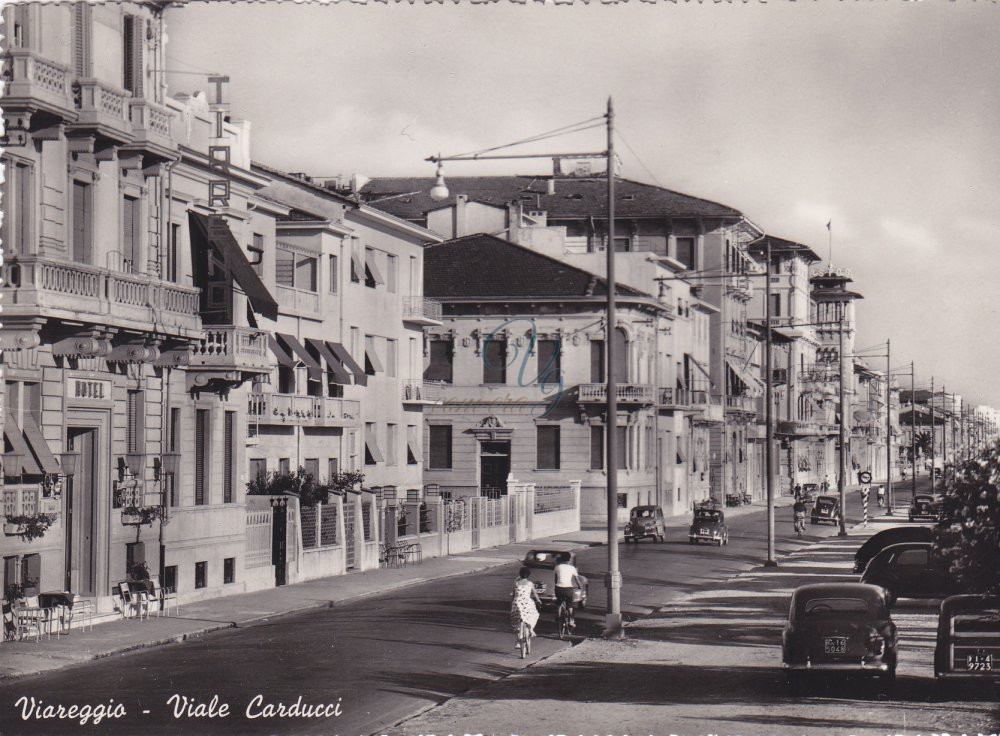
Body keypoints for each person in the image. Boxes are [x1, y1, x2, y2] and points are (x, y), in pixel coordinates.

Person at [510, 567, 541, 649]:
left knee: (517, 621)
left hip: (517, 603)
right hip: (527, 603)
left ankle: (518, 642)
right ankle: (530, 628)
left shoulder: (516, 583)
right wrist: (538, 600)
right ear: (528, 575)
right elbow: (535, 594)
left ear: (520, 574)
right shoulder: (530, 583)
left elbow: (513, 595)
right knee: (534, 614)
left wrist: (512, 603)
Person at [553, 552, 583, 628]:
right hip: (568, 589)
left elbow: (556, 580)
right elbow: (577, 580)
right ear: (569, 559)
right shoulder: (572, 568)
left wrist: (558, 584)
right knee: (570, 605)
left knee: (559, 602)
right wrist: (580, 586)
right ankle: (571, 621)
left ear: (561, 558)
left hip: (559, 588)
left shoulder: (557, 567)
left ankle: (558, 615)